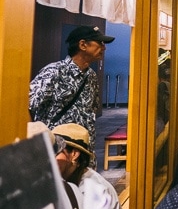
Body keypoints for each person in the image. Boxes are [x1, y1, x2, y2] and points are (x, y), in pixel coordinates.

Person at [29, 25, 115, 165]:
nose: (104, 48)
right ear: (82, 45)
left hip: (84, 153)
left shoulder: (91, 77)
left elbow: (91, 110)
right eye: (100, 43)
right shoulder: (54, 72)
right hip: (56, 154)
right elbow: (28, 105)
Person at [51, 122, 125, 209]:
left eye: (56, 152)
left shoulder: (93, 191)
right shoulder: (72, 179)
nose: (49, 159)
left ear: (74, 154)